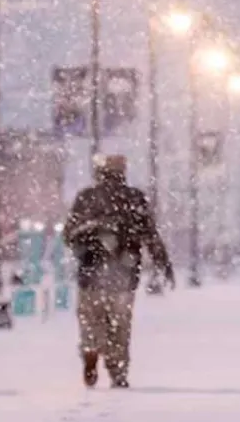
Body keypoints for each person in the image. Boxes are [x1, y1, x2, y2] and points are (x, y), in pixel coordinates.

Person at [63, 155, 173, 389]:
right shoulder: (134, 198)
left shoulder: (86, 198)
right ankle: (118, 370)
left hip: (90, 275)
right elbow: (150, 235)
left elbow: (68, 235)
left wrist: (89, 237)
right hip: (124, 275)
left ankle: (91, 353)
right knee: (120, 326)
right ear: (123, 172)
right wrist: (163, 263)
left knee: (90, 321)